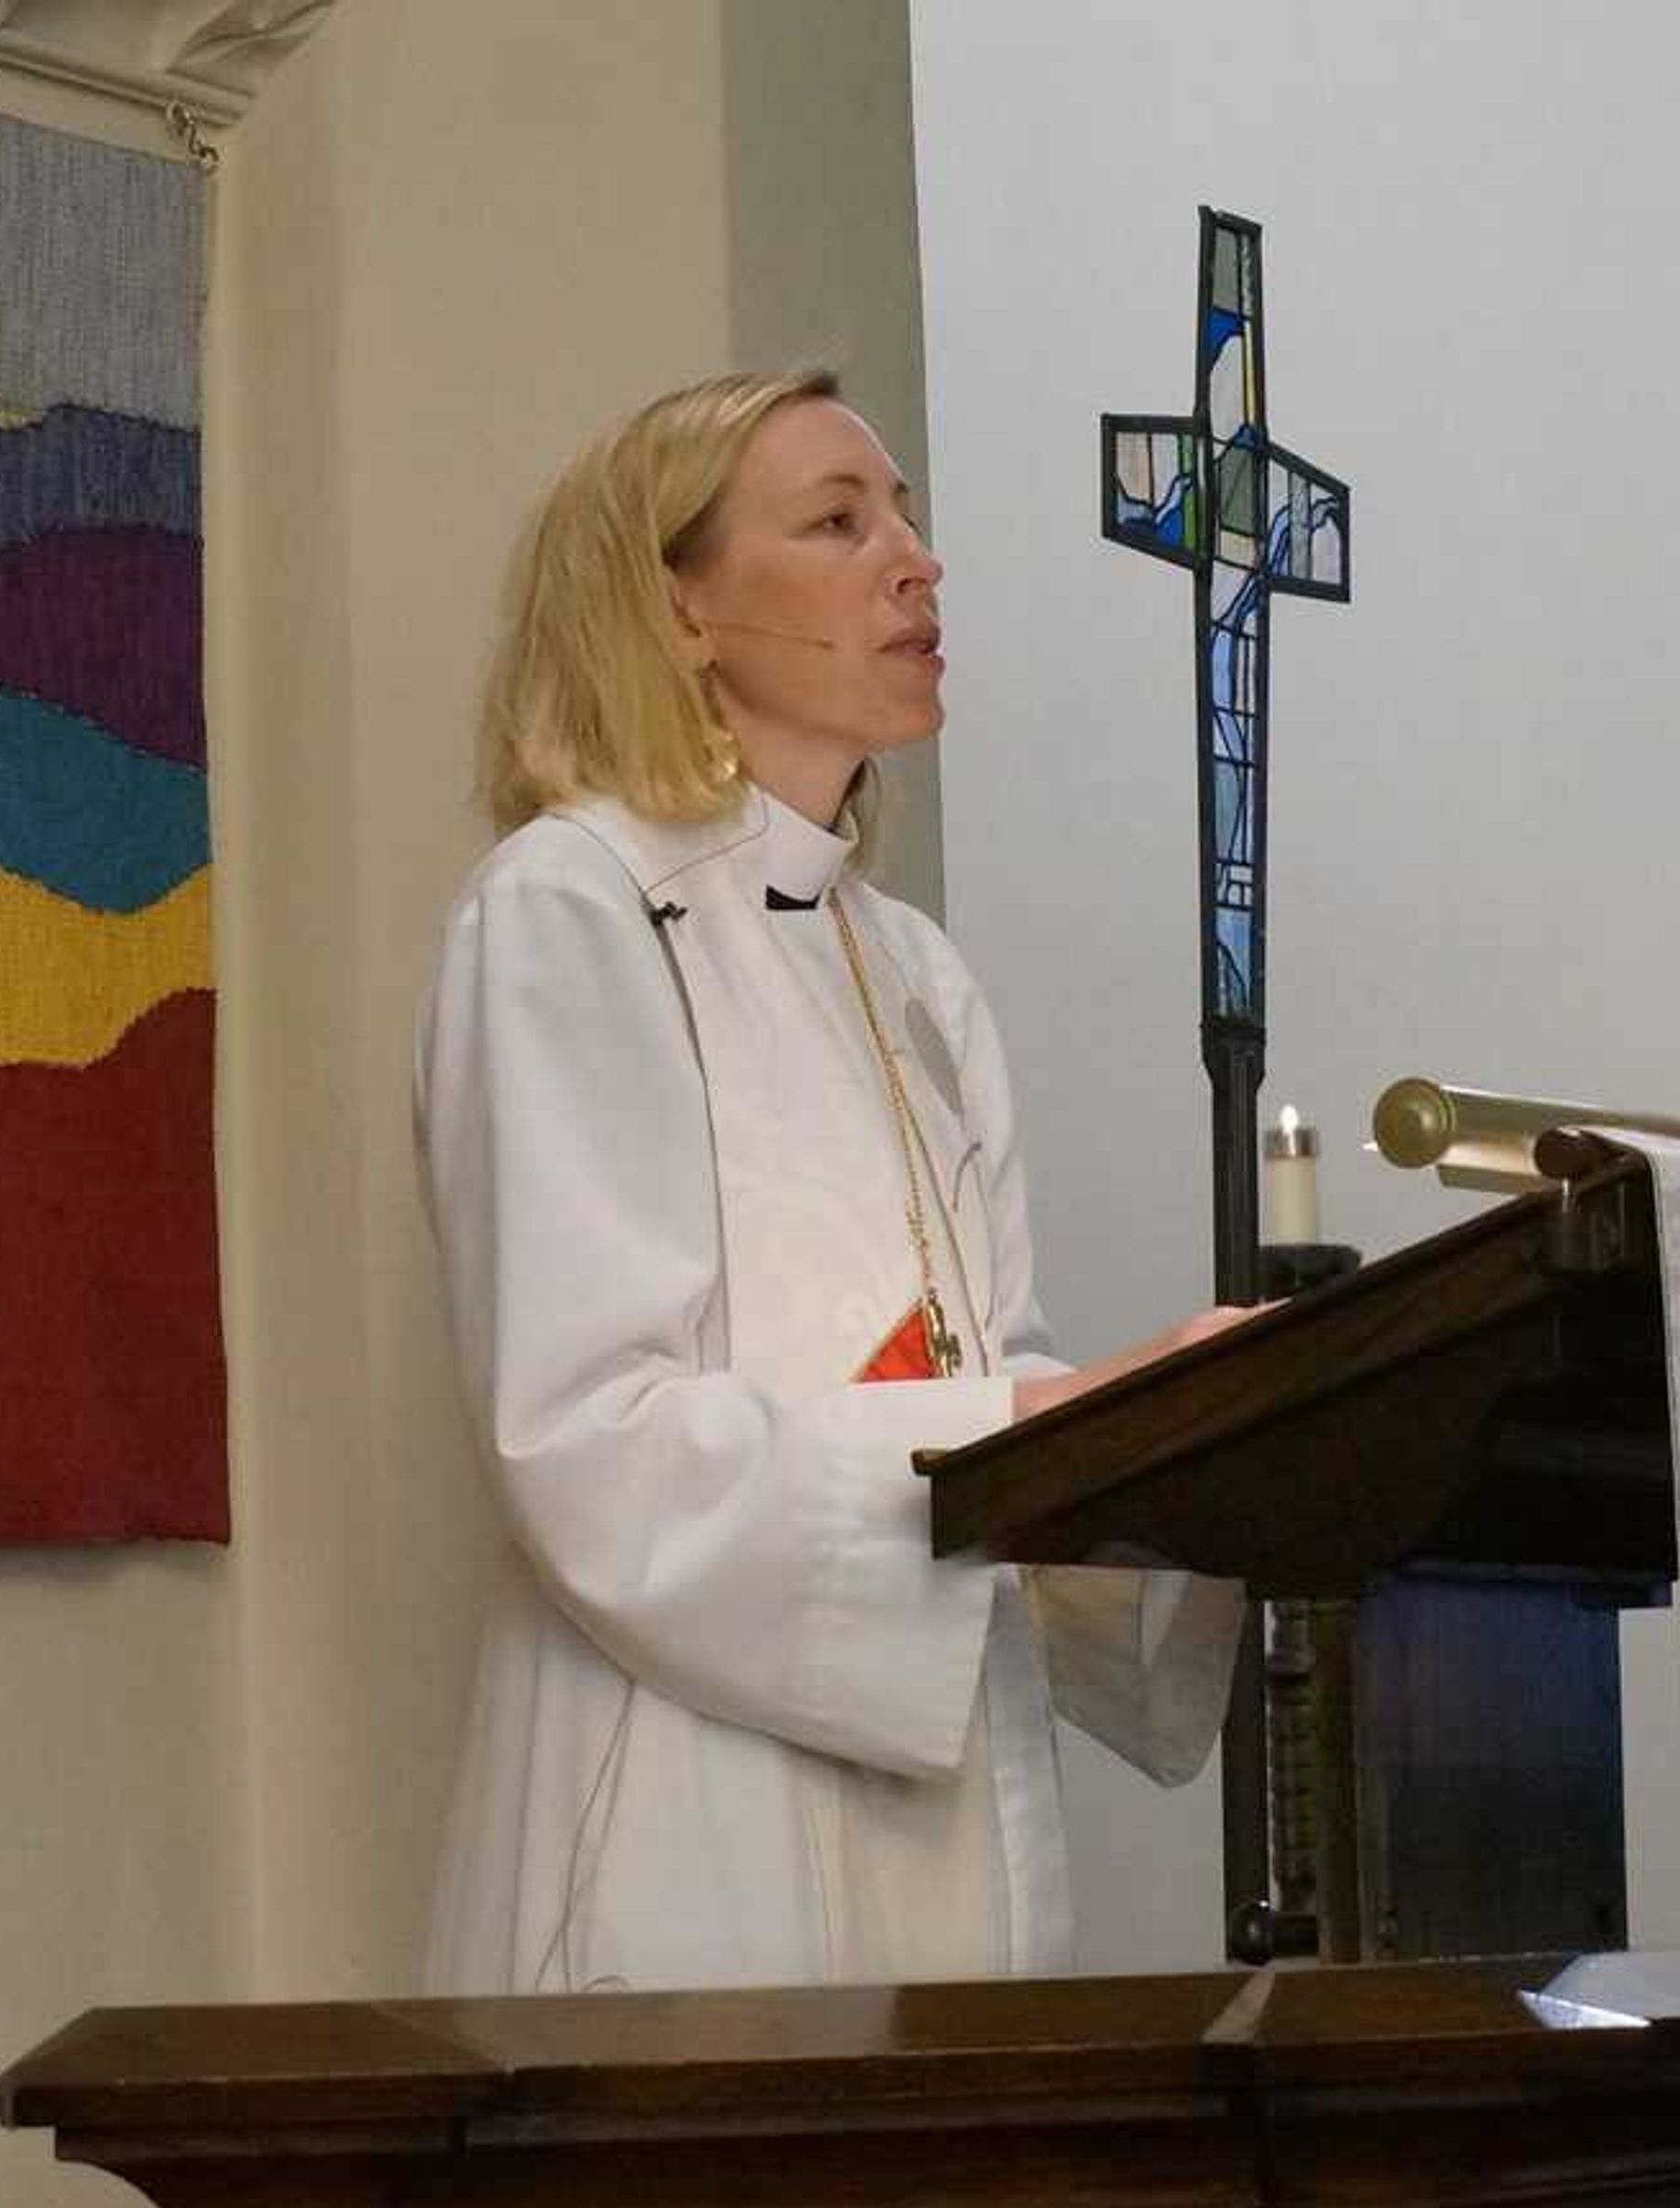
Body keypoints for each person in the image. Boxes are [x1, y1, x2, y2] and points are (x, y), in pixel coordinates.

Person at [416, 370, 1242, 1995]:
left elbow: (986, 1363)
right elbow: (589, 1439)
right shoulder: (569, 910)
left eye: (910, 515)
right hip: (689, 1805)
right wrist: (1025, 1431)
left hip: (948, 1800)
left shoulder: (915, 970)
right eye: (839, 523)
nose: (916, 562)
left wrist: (1200, 1457)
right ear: (678, 612)